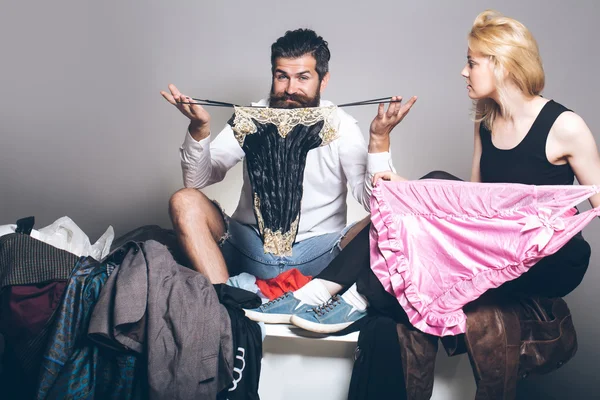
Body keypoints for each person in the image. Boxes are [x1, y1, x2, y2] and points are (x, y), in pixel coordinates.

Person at [247, 10, 600, 335]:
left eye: (471, 62)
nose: (464, 71)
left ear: (503, 66)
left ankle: (357, 299)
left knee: (437, 182)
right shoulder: (486, 119)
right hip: (493, 244)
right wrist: (408, 193)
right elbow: (470, 204)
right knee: (423, 196)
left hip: (551, 257)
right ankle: (319, 292)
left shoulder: (565, 126)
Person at [160, 28, 417, 284]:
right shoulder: (252, 115)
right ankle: (221, 303)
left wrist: (380, 139)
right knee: (184, 201)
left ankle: (319, 293)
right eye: (282, 76)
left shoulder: (341, 124)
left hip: (320, 253)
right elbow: (196, 180)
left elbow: (376, 204)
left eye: (303, 77)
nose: (290, 89)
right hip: (248, 247)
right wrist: (198, 129)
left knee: (394, 215)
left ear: (323, 80)